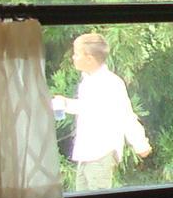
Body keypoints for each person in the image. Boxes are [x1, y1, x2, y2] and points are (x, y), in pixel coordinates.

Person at [52, 33, 151, 190]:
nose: (73, 58)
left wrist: (140, 144)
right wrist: (65, 104)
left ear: (90, 58)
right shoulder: (88, 81)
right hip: (85, 152)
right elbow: (88, 107)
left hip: (101, 152)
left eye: (76, 54)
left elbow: (125, 116)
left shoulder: (111, 83)